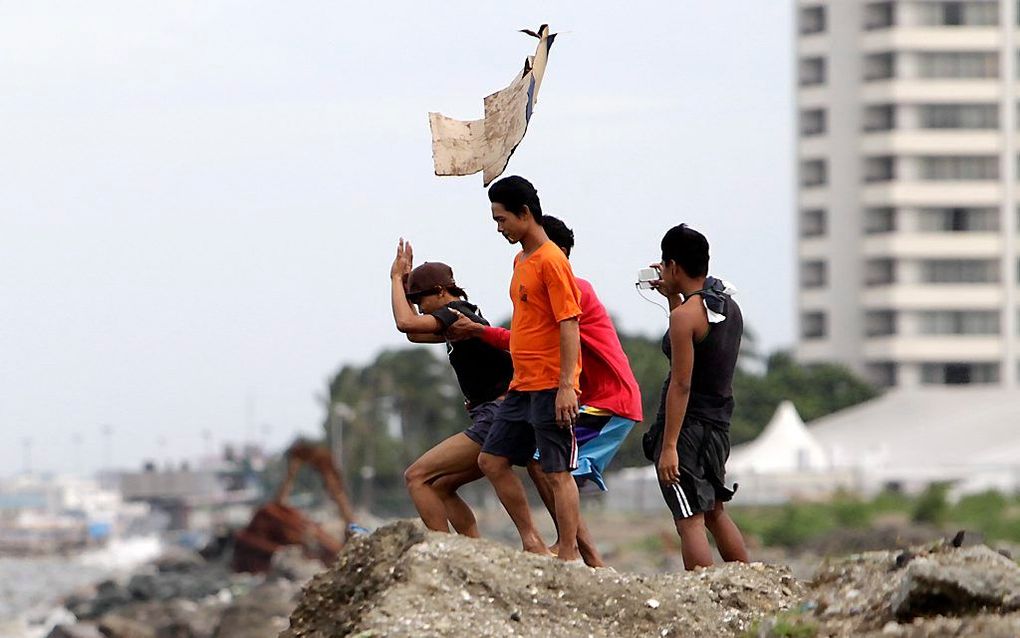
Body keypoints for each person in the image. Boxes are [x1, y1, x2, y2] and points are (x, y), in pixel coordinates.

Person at [447, 215, 642, 567]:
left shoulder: (570, 285)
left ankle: (577, 554)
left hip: (608, 401)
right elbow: (523, 340)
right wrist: (478, 332)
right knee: (519, 462)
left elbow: (560, 332)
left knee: (551, 466)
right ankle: (566, 550)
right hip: (551, 389)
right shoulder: (532, 275)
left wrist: (564, 385)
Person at [475, 176, 587, 562]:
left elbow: (569, 323)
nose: (499, 228)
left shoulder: (553, 261)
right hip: (521, 385)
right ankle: (532, 541)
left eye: (502, 219)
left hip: (550, 385)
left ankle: (568, 553)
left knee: (557, 472)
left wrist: (566, 386)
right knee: (491, 460)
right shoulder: (521, 259)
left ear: (525, 214)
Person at [388, 239, 514, 536]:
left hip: (494, 416)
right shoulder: (462, 315)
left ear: (441, 292)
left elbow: (405, 324)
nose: (419, 307)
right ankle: (471, 549)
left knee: (416, 477)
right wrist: (406, 287)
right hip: (499, 412)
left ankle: (441, 550)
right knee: (442, 486)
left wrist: (395, 279)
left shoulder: (453, 313)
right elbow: (414, 334)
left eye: (421, 299)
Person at [643, 223, 749, 570]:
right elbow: (701, 353)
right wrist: (673, 297)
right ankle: (750, 583)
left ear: (672, 265)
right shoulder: (728, 308)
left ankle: (702, 595)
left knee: (689, 518)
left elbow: (682, 382)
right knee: (715, 510)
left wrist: (669, 445)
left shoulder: (685, 316)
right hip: (718, 426)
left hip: (688, 429)